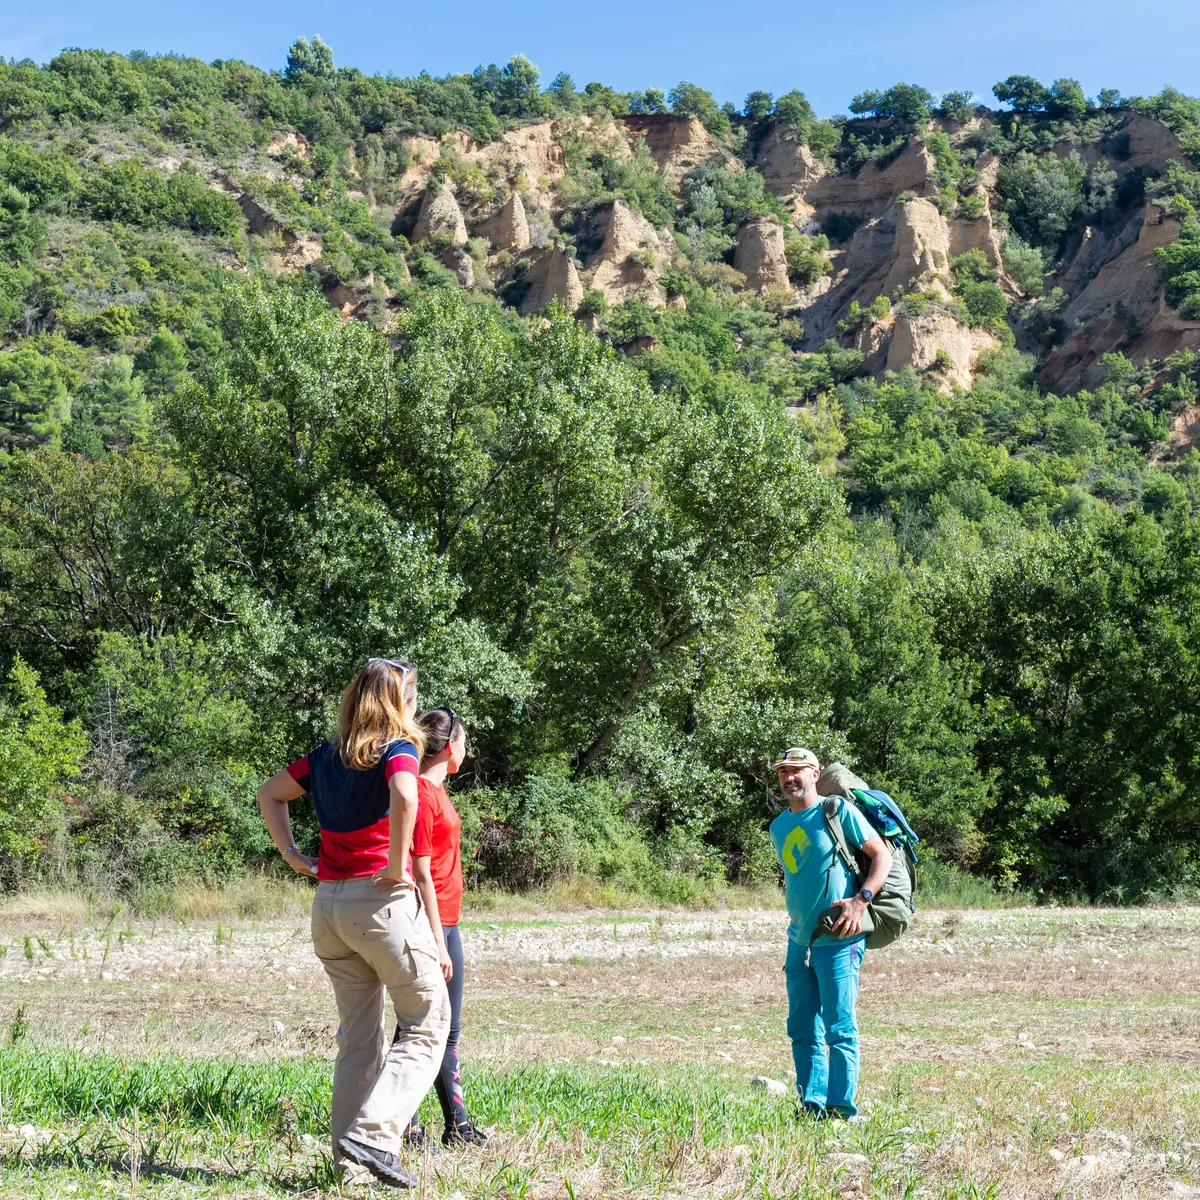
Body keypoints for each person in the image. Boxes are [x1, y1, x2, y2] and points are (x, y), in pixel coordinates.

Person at [257, 657, 450, 1189]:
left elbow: (268, 793)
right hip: (379, 906)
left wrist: (293, 855)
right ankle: (374, 1134)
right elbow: (407, 794)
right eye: (412, 694)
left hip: (329, 909)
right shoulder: (399, 748)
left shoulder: (324, 756)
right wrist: (394, 866)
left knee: (359, 1040)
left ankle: (349, 1168)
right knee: (428, 1021)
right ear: (399, 701)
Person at [768, 747, 893, 1120]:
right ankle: (812, 1106)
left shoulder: (836, 811)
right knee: (802, 1028)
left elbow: (881, 855)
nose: (790, 778)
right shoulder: (778, 827)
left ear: (815, 773)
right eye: (783, 772)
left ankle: (842, 1110)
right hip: (799, 941)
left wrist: (861, 900)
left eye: (797, 771)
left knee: (839, 1028)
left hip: (840, 937)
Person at [403, 707, 488, 1149]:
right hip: (429, 925)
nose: (466, 750)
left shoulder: (436, 791)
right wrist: (437, 940)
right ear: (450, 744)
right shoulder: (419, 792)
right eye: (465, 741)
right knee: (420, 1026)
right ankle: (408, 1127)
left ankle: (456, 1125)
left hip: (448, 922)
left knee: (446, 1028)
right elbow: (420, 873)